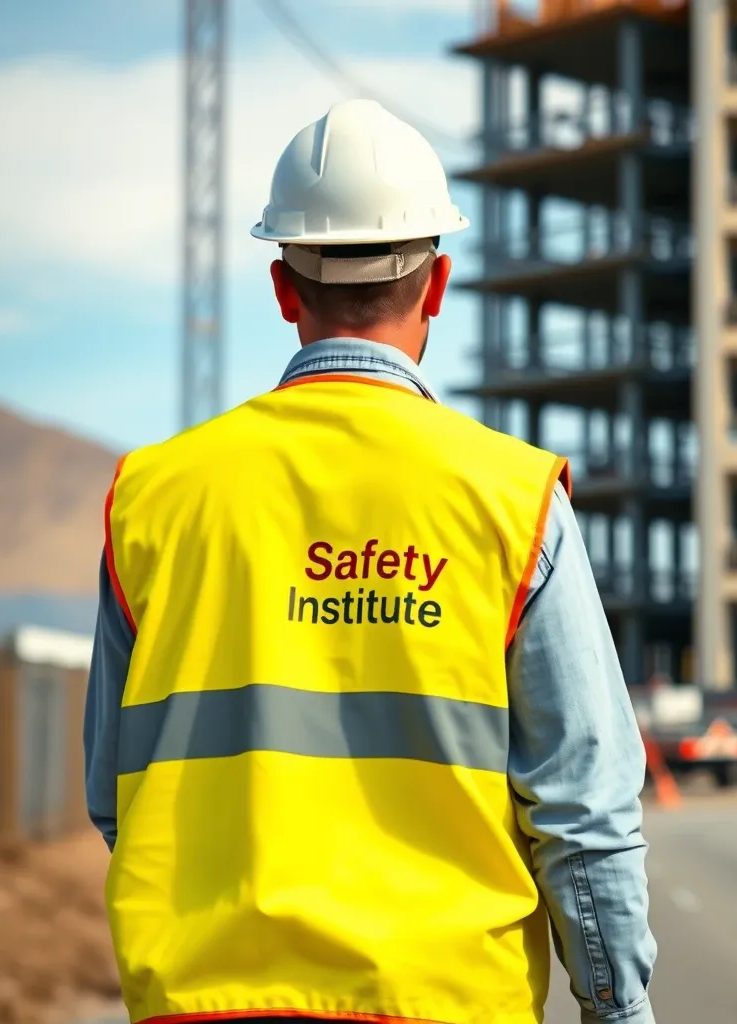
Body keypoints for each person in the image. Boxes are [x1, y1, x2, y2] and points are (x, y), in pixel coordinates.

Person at [84, 99, 656, 1024]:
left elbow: (118, 797)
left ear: (283, 287)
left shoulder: (153, 498)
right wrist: (618, 1010)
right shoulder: (512, 501)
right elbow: (584, 817)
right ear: (437, 287)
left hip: (203, 1004)